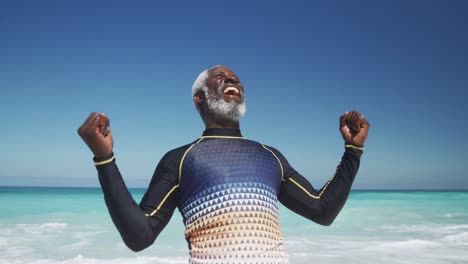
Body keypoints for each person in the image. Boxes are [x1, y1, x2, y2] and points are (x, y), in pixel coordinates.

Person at [78, 65, 370, 264]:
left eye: (236, 78)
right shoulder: (179, 160)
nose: (232, 80)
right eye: (220, 76)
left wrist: (353, 149)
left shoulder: (270, 156)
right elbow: (139, 236)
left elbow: (323, 210)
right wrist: (104, 158)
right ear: (199, 98)